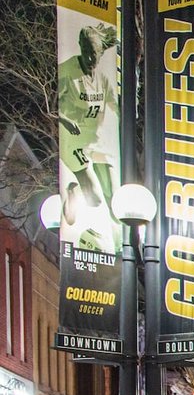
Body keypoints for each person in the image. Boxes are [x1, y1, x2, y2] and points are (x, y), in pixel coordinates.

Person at [56, 23, 122, 253]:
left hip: (98, 140)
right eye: (86, 52)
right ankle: (76, 189)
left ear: (100, 52)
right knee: (94, 198)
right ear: (80, 48)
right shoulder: (66, 71)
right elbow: (48, 105)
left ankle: (119, 244)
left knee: (116, 202)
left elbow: (118, 104)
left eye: (94, 53)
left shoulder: (104, 77)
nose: (90, 58)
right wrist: (65, 119)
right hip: (74, 141)